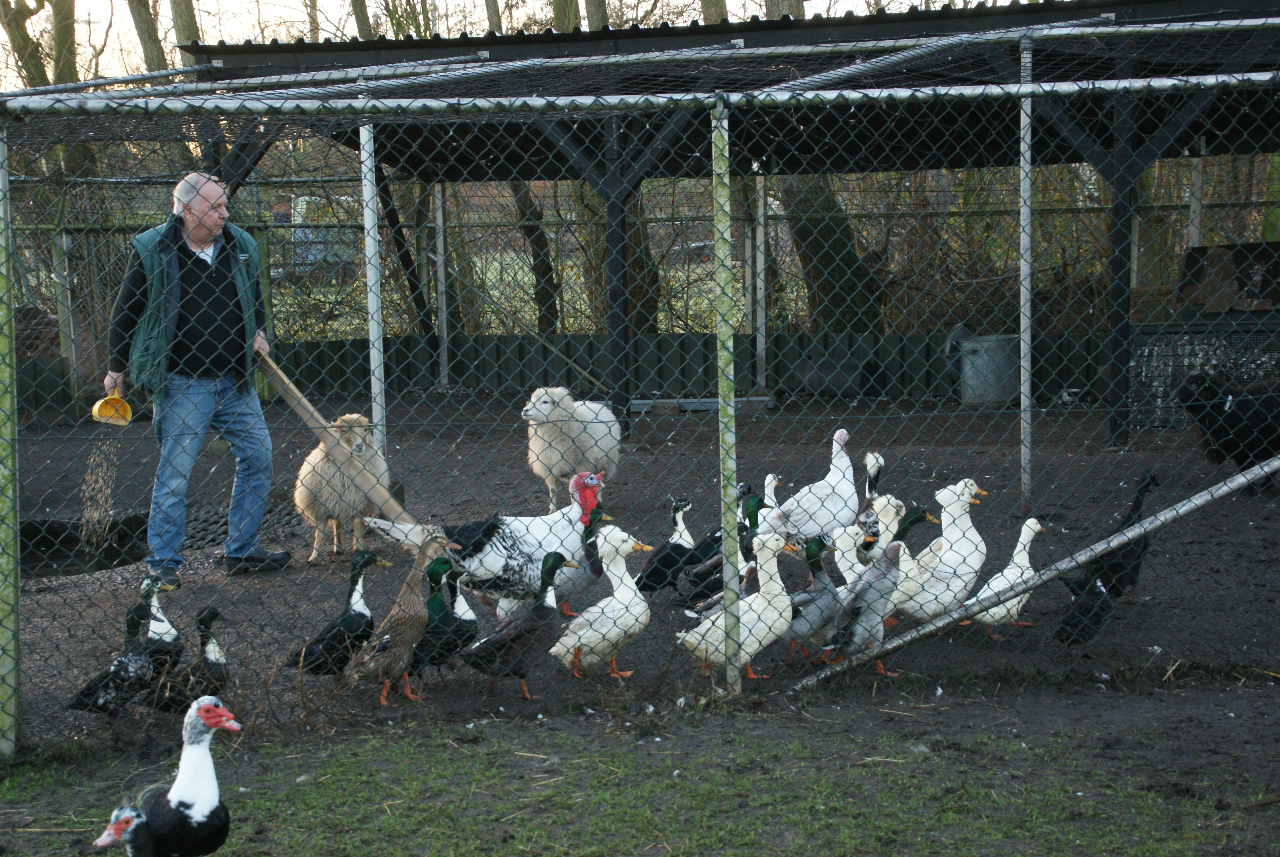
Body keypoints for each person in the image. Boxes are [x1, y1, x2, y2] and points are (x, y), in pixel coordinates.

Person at [106, 172, 291, 581]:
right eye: (216, 206)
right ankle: (163, 565)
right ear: (187, 210)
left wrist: (259, 330)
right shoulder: (153, 248)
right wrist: (116, 368)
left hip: (235, 380)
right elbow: (125, 312)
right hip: (181, 383)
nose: (226, 213)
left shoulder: (239, 245)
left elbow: (255, 298)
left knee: (259, 458)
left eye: (225, 205)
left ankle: (240, 551)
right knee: (174, 477)